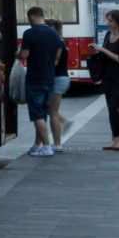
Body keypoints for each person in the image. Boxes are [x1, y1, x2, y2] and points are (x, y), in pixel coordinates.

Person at [18, 6, 63, 158]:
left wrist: (17, 54)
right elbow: (57, 58)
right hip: (50, 78)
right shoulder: (54, 34)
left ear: (31, 17)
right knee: (43, 112)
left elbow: (24, 54)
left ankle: (46, 146)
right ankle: (37, 146)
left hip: (35, 78)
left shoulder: (29, 33)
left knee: (37, 114)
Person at [94, 9, 119, 151]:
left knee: (114, 108)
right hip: (108, 77)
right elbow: (105, 54)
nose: (108, 23)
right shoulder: (108, 35)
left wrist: (103, 50)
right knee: (111, 110)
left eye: (111, 21)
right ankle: (117, 139)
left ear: (118, 22)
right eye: (108, 20)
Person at [46, 18, 69, 153]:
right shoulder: (62, 40)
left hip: (57, 78)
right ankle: (65, 123)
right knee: (51, 111)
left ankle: (57, 144)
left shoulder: (57, 42)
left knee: (52, 112)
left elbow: (55, 61)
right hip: (62, 77)